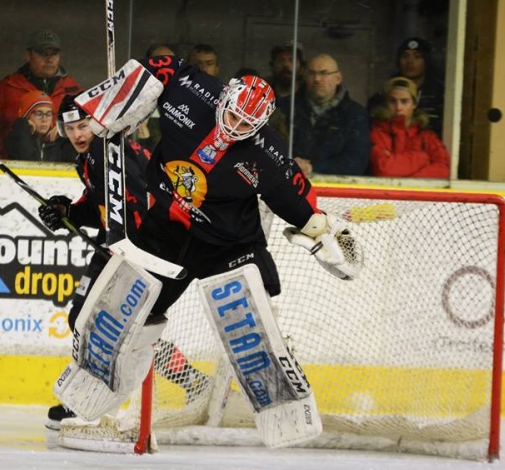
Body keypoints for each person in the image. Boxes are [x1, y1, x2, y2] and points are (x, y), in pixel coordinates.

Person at [57, 54, 362, 448]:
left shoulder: (266, 155)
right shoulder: (193, 91)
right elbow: (164, 65)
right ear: (225, 98)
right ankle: (104, 392)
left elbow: (300, 203)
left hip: (229, 242)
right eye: (232, 115)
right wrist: (116, 98)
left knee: (248, 315)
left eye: (246, 124)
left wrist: (321, 231)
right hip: (167, 229)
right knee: (122, 314)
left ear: (261, 124)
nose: (234, 127)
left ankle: (281, 399)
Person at [39, 95, 208, 429]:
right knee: (91, 320)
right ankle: (190, 380)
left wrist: (135, 251)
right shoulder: (91, 158)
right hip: (116, 247)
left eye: (83, 124)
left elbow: (142, 203)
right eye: (70, 127)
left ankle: (89, 400)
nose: (77, 133)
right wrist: (69, 212)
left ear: (98, 123)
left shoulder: (114, 156)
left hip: (141, 250)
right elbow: (101, 204)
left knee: (106, 325)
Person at [276, 53, 370, 177]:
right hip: (286, 183)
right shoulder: (284, 108)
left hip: (335, 190)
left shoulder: (356, 115)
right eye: (311, 73)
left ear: (338, 78)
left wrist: (312, 167)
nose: (317, 79)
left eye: (324, 73)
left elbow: (356, 162)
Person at [0, 28, 81, 142]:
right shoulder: (7, 87)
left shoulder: (74, 90)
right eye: (43, 54)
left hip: (60, 158)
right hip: (17, 158)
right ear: (28, 55)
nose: (49, 59)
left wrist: (64, 128)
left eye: (54, 54)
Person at [368, 77, 450, 178]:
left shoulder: (427, 136)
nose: (398, 107)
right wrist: (423, 158)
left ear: (414, 104)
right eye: (392, 101)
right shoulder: (377, 132)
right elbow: (384, 170)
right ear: (386, 103)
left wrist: (410, 179)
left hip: (417, 193)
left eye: (404, 101)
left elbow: (444, 169)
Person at [368, 38, 445, 136]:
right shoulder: (382, 96)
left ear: (426, 61)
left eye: (417, 57)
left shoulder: (439, 96)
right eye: (405, 56)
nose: (410, 62)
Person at [5, 90, 74, 162]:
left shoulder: (57, 140)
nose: (44, 119)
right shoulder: (17, 137)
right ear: (27, 117)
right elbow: (24, 158)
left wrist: (65, 132)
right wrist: (23, 125)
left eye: (48, 114)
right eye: (39, 114)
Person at [132, 43, 176, 152]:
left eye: (172, 63)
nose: (167, 68)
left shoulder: (182, 99)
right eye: (162, 62)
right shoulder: (138, 100)